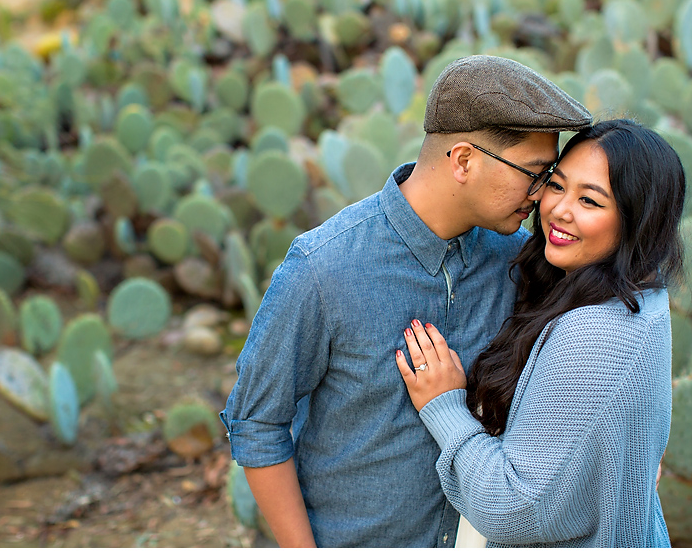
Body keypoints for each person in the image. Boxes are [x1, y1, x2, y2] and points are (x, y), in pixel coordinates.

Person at [220, 55, 592, 547]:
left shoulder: (515, 260)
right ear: (463, 161)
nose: (543, 195)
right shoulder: (323, 268)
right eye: (535, 173)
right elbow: (257, 424)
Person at [395, 119, 685, 547]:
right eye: (556, 185)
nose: (558, 210)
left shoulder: (598, 333)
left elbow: (513, 509)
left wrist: (443, 406)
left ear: (636, 220)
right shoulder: (640, 292)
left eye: (590, 200)